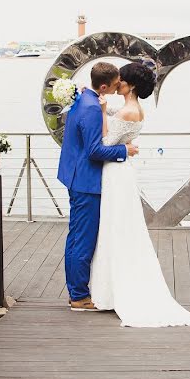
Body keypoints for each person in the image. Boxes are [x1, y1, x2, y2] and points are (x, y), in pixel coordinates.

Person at [89, 60, 190, 327]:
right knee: (119, 226)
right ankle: (110, 289)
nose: (118, 83)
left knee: (114, 227)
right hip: (122, 171)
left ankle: (111, 292)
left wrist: (103, 115)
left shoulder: (128, 112)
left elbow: (105, 143)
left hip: (115, 173)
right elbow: (114, 122)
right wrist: (106, 110)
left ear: (131, 85)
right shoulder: (133, 108)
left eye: (122, 81)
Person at [57, 62, 139, 311]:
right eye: (115, 85)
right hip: (86, 182)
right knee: (83, 240)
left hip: (74, 175)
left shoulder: (83, 97)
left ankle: (76, 291)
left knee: (75, 237)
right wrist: (124, 150)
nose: (117, 88)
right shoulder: (92, 108)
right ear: (103, 85)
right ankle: (79, 296)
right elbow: (94, 151)